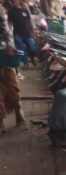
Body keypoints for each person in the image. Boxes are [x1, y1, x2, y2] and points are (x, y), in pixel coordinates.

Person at [0, 5, 24, 134]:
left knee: (12, 87)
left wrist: (9, 46)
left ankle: (18, 111)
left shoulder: (1, 11)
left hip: (4, 54)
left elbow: (7, 32)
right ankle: (0, 121)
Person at [6, 0, 35, 67]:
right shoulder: (10, 11)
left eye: (16, 1)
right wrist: (9, 32)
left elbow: (29, 21)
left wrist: (32, 30)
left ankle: (32, 59)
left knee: (32, 48)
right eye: (13, 2)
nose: (15, 3)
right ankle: (25, 63)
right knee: (21, 49)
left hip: (27, 33)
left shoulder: (25, 10)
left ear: (19, 1)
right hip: (17, 34)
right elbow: (9, 23)